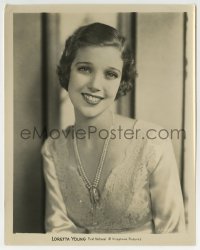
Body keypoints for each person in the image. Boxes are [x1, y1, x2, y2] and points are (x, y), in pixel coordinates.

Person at [41, 22, 185, 234]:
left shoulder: (153, 142)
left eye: (110, 74)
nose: (95, 84)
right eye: (84, 69)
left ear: (121, 82)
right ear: (67, 71)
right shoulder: (53, 149)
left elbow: (174, 237)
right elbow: (57, 233)